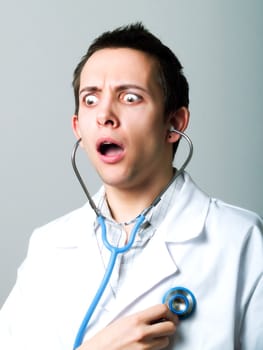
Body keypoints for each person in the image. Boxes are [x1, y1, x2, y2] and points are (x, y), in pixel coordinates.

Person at [0, 23, 262, 350]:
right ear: (77, 127)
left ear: (174, 123)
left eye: (130, 97)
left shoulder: (242, 241)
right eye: (91, 99)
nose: (105, 115)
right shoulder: (48, 248)